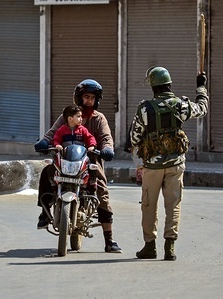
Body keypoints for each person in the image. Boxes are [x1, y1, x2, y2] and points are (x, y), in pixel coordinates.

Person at [34, 79, 122, 253]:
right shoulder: (67, 116)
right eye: (86, 97)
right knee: (46, 173)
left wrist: (107, 149)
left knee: (102, 192)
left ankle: (109, 240)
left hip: (90, 163)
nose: (89, 101)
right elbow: (53, 133)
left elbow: (106, 138)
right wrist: (44, 142)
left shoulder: (99, 119)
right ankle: (44, 213)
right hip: (65, 162)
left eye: (92, 98)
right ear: (78, 98)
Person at [130, 66, 208, 261]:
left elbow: (134, 137)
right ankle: (169, 247)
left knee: (149, 205)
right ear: (169, 85)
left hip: (152, 167)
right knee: (173, 205)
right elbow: (202, 109)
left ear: (153, 88)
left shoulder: (145, 108)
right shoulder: (181, 105)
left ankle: (150, 246)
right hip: (176, 163)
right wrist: (201, 88)